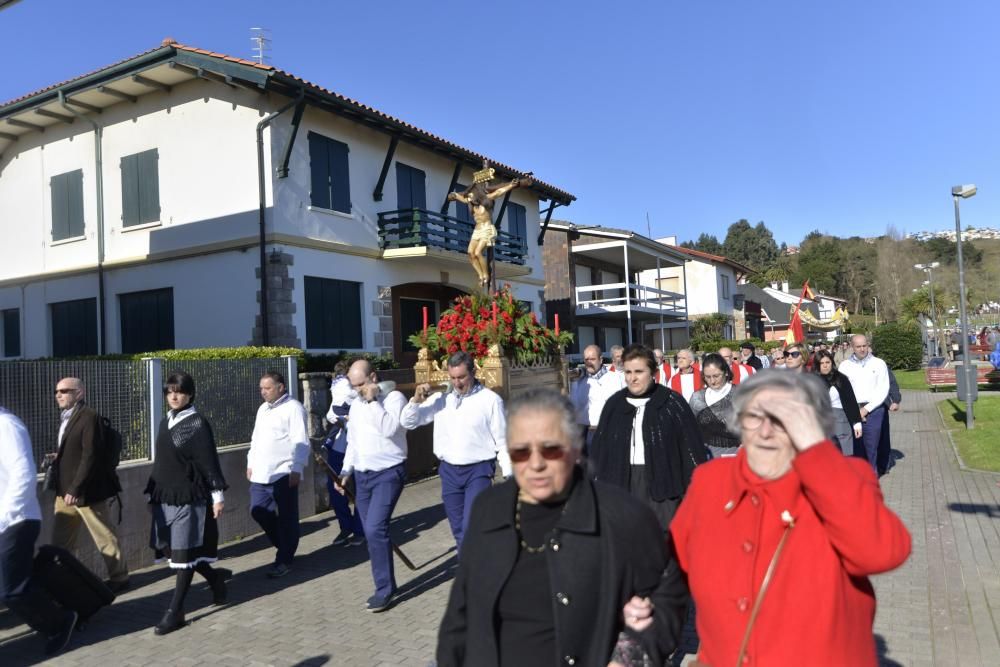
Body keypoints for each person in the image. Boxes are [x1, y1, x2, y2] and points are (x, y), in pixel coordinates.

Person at [625, 370, 912, 665]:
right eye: (754, 417)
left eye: (782, 420)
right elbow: (671, 577)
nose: (765, 431)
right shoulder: (710, 482)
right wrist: (637, 648)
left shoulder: (847, 479)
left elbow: (882, 552)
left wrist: (816, 450)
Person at [436, 388, 688, 667]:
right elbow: (460, 614)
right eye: (520, 452)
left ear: (575, 448)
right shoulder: (488, 508)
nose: (536, 464)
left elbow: (668, 595)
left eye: (551, 449)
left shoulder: (621, 515)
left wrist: (629, 656)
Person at [144, 372, 230, 635]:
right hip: (165, 496)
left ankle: (175, 612)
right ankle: (215, 578)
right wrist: (153, 491)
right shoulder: (164, 422)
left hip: (190, 497)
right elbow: (163, 461)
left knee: (183, 554)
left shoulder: (197, 423)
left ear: (190, 394)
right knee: (170, 550)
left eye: (179, 391)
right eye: (169, 391)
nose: (173, 396)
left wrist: (217, 496)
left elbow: (208, 460)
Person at [591, 344, 709, 531]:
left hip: (664, 487)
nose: (633, 378)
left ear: (653, 372)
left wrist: (696, 492)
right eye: (628, 372)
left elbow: (690, 451)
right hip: (622, 484)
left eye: (639, 371)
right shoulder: (614, 405)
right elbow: (599, 452)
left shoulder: (672, 403)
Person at [401, 351, 508, 551]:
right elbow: (409, 422)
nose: (457, 383)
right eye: (452, 378)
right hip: (449, 471)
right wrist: (415, 400)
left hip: (478, 470)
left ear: (473, 372)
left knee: (471, 527)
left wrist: (510, 476)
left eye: (461, 377)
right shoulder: (441, 399)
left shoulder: (490, 400)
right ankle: (470, 573)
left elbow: (502, 441)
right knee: (458, 529)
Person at [1, 406, 79, 656]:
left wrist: (4, 518)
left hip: (15, 519)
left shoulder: (7, 425)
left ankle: (59, 622)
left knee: (12, 589)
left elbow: (23, 473)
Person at [341, 359, 409, 612]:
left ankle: (385, 590)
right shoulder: (357, 405)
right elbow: (353, 442)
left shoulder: (393, 399)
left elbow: (390, 428)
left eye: (360, 384)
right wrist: (346, 471)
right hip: (362, 475)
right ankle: (386, 583)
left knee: (374, 528)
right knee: (373, 532)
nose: (356, 389)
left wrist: (372, 401)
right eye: (353, 385)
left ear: (373, 377)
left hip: (389, 472)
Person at [50, 377, 129, 592]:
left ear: (79, 393)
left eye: (65, 391)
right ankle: (61, 579)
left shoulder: (88, 417)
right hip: (63, 490)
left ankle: (120, 577)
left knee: (103, 535)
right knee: (60, 541)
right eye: (57, 391)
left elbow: (90, 455)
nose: (59, 394)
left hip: (85, 492)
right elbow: (76, 450)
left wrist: (76, 488)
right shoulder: (66, 417)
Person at [247, 371, 309, 579]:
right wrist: (250, 462)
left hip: (284, 472)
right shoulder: (263, 409)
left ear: (281, 387)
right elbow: (255, 439)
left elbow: (301, 441)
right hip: (261, 473)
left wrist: (297, 468)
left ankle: (284, 559)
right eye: (261, 389)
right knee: (258, 511)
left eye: (268, 388)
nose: (263, 392)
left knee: (287, 517)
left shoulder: (294, 409)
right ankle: (284, 545)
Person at [448, 171, 529, 288]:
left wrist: (511, 185)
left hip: (487, 229)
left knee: (478, 252)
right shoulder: (470, 202)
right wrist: (454, 195)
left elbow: (499, 191)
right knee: (470, 253)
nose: (469, 198)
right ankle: (480, 275)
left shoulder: (487, 199)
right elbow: (460, 197)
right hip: (477, 230)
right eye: (468, 196)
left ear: (476, 194)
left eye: (470, 195)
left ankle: (486, 275)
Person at [324, 361, 364, 547]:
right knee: (334, 488)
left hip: (360, 445)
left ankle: (360, 528)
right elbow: (332, 412)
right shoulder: (339, 385)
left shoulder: (364, 388)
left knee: (362, 488)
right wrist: (340, 418)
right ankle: (345, 526)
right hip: (339, 445)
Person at [839, 334, 890, 471]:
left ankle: (872, 478)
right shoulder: (845, 366)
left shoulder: (879, 363)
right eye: (858, 346)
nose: (862, 349)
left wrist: (866, 409)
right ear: (852, 347)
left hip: (874, 410)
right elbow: (842, 390)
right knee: (855, 446)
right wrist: (854, 410)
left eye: (864, 346)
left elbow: (883, 390)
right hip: (852, 411)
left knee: (871, 447)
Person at [812, 350, 863, 456]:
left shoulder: (841, 379)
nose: (825, 366)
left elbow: (851, 401)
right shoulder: (812, 381)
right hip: (820, 422)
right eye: (822, 363)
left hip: (841, 421)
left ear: (832, 363)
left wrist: (857, 423)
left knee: (845, 455)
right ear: (817, 365)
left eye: (828, 362)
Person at [689, 353, 740, 457]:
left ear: (726, 372)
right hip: (707, 454)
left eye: (716, 376)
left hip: (736, 454)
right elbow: (691, 429)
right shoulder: (697, 398)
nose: (712, 381)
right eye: (708, 377)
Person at [569, 344, 618, 447]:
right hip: (581, 432)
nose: (589, 362)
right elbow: (574, 406)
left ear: (600, 360)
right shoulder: (580, 379)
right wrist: (574, 381)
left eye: (592, 359)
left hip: (602, 431)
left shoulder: (613, 378)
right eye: (586, 359)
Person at [877, 367, 902, 476]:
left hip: (880, 405)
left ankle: (884, 464)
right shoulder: (850, 365)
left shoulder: (879, 365)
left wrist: (895, 400)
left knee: (883, 436)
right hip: (859, 407)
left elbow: (891, 382)